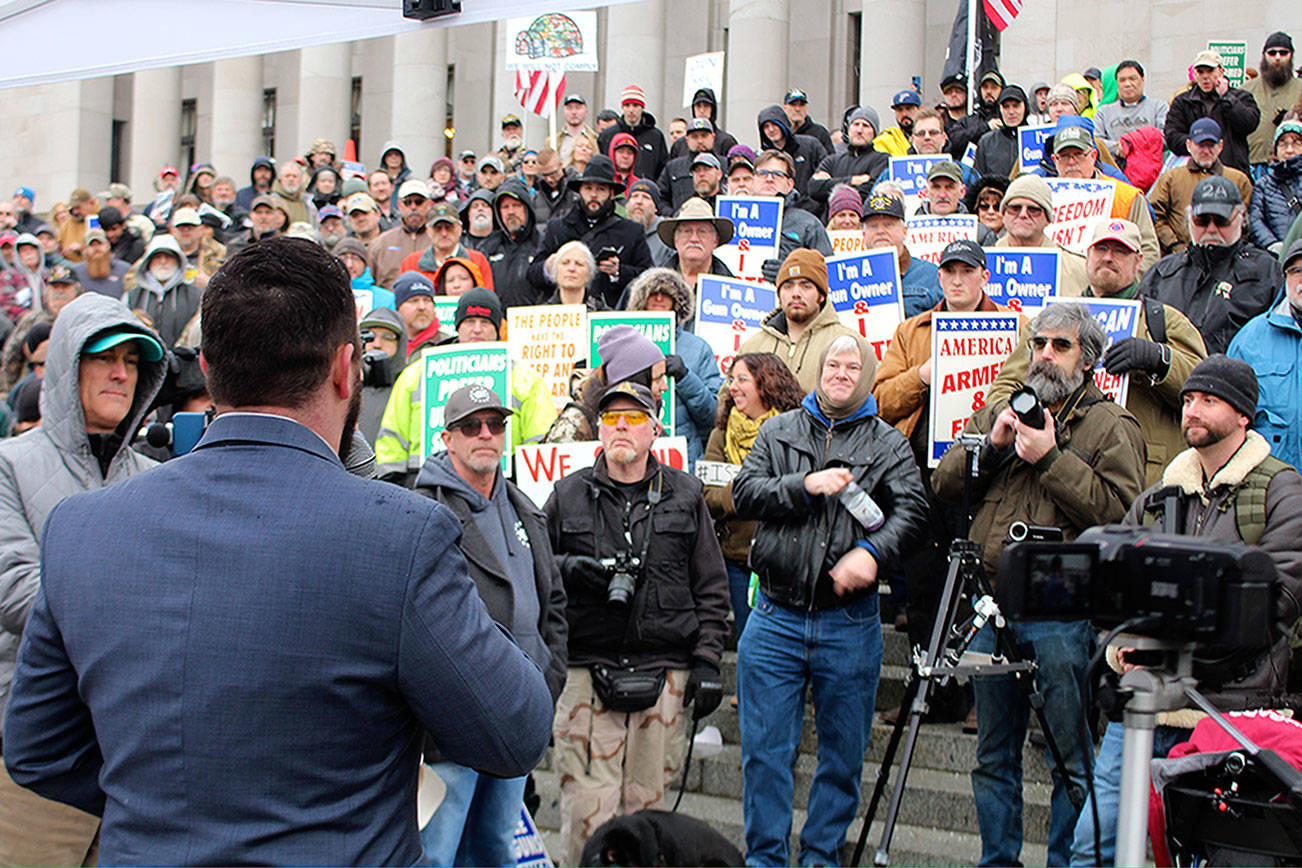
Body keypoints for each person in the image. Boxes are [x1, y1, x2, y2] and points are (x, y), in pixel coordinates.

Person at [1, 238, 552, 866]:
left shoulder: (83, 528)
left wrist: (162, 802)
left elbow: (39, 752)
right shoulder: (401, 535)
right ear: (347, 370)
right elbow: (516, 731)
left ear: (208, 368)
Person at [931, 303, 1147, 867]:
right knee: (991, 754)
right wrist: (996, 443)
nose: (1045, 355)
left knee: (1069, 759)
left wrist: (1051, 458)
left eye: (1060, 346)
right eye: (1039, 344)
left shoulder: (1111, 425)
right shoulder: (1003, 411)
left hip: (1062, 613)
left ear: (1089, 359)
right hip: (991, 608)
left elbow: (1124, 514)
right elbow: (945, 484)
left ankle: (1066, 863)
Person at [1069, 354, 1302, 867]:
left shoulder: (1281, 491)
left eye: (1209, 400)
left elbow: (1275, 604)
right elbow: (1111, 594)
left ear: (1243, 414)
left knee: (1208, 856)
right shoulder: (1157, 497)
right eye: (1189, 399)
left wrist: (1176, 651)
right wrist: (1119, 651)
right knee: (1092, 849)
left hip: (1230, 715)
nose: (1192, 410)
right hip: (1141, 709)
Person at [732, 333, 927, 867]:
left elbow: (913, 515)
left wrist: (872, 552)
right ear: (818, 370)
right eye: (832, 364)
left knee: (842, 759)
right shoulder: (778, 429)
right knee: (764, 756)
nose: (840, 373)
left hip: (849, 624)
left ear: (865, 375)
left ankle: (820, 857)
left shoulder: (888, 444)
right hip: (774, 618)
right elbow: (745, 493)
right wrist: (804, 484)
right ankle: (765, 859)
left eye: (852, 366)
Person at [0, 294, 168, 866]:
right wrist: (142, 609)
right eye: (103, 357)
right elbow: (15, 589)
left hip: (135, 754)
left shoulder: (160, 478)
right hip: (38, 753)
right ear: (68, 365)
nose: (121, 373)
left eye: (132, 360)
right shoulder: (8, 464)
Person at [545, 380, 730, 867]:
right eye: (609, 419)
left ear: (655, 428)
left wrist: (708, 660)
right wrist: (567, 567)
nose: (621, 427)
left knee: (646, 826)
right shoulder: (567, 494)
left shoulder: (686, 495)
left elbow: (711, 586)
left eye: (632, 418)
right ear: (598, 430)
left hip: (665, 672)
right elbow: (535, 576)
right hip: (585, 673)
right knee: (587, 822)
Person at [412, 384, 567, 867]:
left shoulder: (525, 506)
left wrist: (549, 680)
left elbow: (553, 603)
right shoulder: (421, 508)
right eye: (470, 426)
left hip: (515, 716)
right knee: (438, 855)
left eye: (496, 424)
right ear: (447, 437)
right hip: (450, 728)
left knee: (495, 850)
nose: (486, 435)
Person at [989, 219, 1207, 487]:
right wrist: (1015, 417)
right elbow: (1004, 387)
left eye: (1120, 251)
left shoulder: (1163, 321)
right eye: (1100, 249)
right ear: (1087, 256)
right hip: (1058, 466)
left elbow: (1205, 389)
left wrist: (1159, 360)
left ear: (1138, 262)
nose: (1108, 257)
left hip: (1144, 472)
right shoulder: (1050, 321)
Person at [703, 353, 803, 637]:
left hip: (785, 558)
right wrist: (753, 493)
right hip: (737, 559)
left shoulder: (796, 432)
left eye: (742, 379)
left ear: (766, 383)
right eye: (731, 379)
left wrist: (743, 492)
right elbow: (708, 495)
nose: (732, 387)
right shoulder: (721, 434)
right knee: (751, 641)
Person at [1139, 176, 1281, 354]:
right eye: (1202, 220)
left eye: (1221, 221)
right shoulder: (1161, 274)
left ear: (1241, 218)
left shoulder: (1267, 272)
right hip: (1170, 378)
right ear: (1189, 218)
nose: (1212, 229)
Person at [526, 154, 652, 308]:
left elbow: (648, 277)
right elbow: (532, 275)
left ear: (611, 193)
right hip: (563, 316)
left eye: (600, 189)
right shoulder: (557, 228)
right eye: (588, 188)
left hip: (610, 318)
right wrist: (548, 267)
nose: (593, 195)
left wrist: (618, 271)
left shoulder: (631, 231)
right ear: (579, 190)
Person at [624, 268, 723, 464]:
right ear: (641, 301)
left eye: (667, 293)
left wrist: (685, 377)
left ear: (677, 302)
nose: (659, 298)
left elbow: (713, 416)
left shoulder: (698, 348)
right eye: (653, 293)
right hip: (633, 452)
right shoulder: (624, 343)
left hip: (681, 457)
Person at [1228, 238, 1302, 469]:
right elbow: (1228, 419)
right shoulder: (1250, 339)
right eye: (1296, 270)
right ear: (1285, 277)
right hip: (1270, 487)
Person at [739, 248, 857, 392]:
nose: (796, 293)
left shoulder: (848, 344)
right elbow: (729, 401)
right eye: (788, 286)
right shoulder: (753, 346)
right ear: (779, 295)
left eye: (806, 286)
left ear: (821, 296)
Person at [1049, 123, 1161, 272]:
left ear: (1093, 156)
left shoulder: (1125, 196)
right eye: (1064, 156)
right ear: (1054, 160)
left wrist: (1127, 287)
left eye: (1078, 154)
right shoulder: (1041, 196)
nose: (1071, 162)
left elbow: (1148, 251)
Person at [1149, 117, 1254, 255]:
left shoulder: (1238, 179)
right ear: (1189, 145)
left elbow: (1246, 220)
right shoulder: (1171, 178)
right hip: (1179, 256)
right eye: (1200, 145)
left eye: (1211, 145)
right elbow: (1154, 215)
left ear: (1221, 146)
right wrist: (1175, 245)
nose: (1205, 151)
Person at [1165, 48, 1261, 175]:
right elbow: (1172, 136)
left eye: (1210, 71)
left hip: (1231, 171)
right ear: (1195, 74)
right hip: (1195, 172)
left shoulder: (1241, 97)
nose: (1205, 76)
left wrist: (1227, 98)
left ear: (1221, 71)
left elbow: (1249, 124)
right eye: (1200, 72)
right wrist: (1199, 146)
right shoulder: (1183, 101)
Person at [994, 174, 1089, 296]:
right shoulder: (983, 264)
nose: (1023, 214)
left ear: (1048, 219)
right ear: (1004, 214)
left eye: (1033, 210)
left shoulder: (1078, 269)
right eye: (1015, 208)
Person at [861, 191, 943, 317]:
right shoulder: (849, 278)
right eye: (873, 226)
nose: (880, 231)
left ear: (904, 232)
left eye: (888, 225)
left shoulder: (931, 276)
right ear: (864, 235)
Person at [752, 150, 833, 278]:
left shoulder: (808, 224)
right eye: (762, 173)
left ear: (790, 184)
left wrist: (790, 271)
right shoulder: (731, 220)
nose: (769, 179)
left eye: (777, 174)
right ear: (753, 180)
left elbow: (827, 271)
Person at [122, 235, 201, 347]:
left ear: (178, 261)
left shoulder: (195, 295)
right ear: (148, 261)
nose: (163, 261)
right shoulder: (132, 296)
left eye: (168, 257)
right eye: (157, 257)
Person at [809, 107, 887, 218]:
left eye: (866, 126)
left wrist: (831, 183)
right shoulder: (832, 161)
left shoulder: (882, 160)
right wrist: (853, 180)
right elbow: (814, 188)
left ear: (874, 132)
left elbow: (869, 191)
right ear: (849, 129)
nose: (859, 130)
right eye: (856, 124)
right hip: (832, 227)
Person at [1242, 32, 1302, 176]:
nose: (1277, 58)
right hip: (1252, 164)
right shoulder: (1246, 90)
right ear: (1264, 55)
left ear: (1291, 55)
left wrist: (1293, 119)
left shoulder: (1300, 89)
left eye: (1283, 53)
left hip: (1293, 166)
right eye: (1272, 53)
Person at [477, 179, 541, 307]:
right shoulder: (487, 248)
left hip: (533, 322)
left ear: (527, 208)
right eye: (505, 207)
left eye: (516, 205)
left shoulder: (542, 244)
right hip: (499, 323)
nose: (511, 212)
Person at [652, 197, 735, 294]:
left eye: (702, 232)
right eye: (687, 231)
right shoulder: (652, 287)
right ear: (676, 239)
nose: (694, 239)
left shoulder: (734, 289)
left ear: (715, 240)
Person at [756, 104, 827, 212]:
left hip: (811, 210)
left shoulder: (810, 145)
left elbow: (825, 173)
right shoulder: (762, 156)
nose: (771, 129)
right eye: (766, 126)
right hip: (775, 211)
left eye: (774, 124)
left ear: (783, 124)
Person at [368, 179, 435, 290]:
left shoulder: (439, 240)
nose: (413, 207)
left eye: (419, 201)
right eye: (407, 202)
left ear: (428, 204)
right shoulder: (381, 242)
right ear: (399, 205)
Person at [596, 84, 670, 181]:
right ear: (622, 107)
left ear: (642, 107)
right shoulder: (607, 135)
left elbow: (662, 168)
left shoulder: (655, 136)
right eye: (627, 105)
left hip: (645, 190)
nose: (631, 110)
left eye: (635, 106)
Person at [1092, 60, 1170, 151]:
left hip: (1152, 163)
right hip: (1114, 163)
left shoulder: (1159, 107)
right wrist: (1119, 147)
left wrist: (1131, 144)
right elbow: (1097, 141)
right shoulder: (1104, 112)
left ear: (1142, 80)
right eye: (1122, 80)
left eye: (1132, 79)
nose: (1127, 84)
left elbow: (1165, 138)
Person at [1249, 120, 1302, 254]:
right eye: (1283, 143)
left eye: (1296, 143)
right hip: (1276, 256)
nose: (1289, 150)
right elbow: (1255, 219)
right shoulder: (1263, 185)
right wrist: (1272, 244)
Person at [915, 161, 997, 244]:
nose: (942, 195)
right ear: (926, 191)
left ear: (962, 191)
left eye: (949, 187)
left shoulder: (981, 235)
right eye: (936, 187)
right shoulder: (909, 231)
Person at [357, 307, 406, 443]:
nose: (377, 344)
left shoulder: (408, 385)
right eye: (370, 336)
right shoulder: (347, 383)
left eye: (387, 337)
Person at [657, 118, 718, 214]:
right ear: (687, 140)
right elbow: (660, 197)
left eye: (704, 136)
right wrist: (672, 215)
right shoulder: (673, 167)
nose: (700, 141)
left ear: (713, 137)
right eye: (695, 137)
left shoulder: (725, 164)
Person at [973, 85, 1029, 179]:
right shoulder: (986, 142)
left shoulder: (1036, 138)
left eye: (1016, 106)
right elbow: (978, 179)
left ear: (1025, 107)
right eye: (1006, 107)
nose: (1011, 111)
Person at [668, 88, 739, 161]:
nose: (702, 110)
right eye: (698, 106)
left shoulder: (726, 141)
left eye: (706, 106)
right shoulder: (680, 144)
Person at [169, 207, 226, 289]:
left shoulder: (220, 252)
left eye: (190, 226)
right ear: (172, 231)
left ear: (201, 229)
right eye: (180, 227)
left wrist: (210, 285)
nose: (186, 230)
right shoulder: (162, 254)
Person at [543, 240, 608, 310]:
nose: (571, 268)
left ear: (589, 274)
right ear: (555, 270)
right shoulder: (540, 315)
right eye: (565, 263)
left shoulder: (604, 315)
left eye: (579, 264)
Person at [70, 228, 130, 298]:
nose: (96, 248)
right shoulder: (76, 272)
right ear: (85, 249)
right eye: (92, 245)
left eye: (100, 244)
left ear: (108, 245)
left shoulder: (124, 269)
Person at [624, 179, 670, 266]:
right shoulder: (619, 231)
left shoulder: (665, 234)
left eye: (646, 197)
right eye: (635, 196)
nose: (639, 201)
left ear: (655, 208)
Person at [548, 93, 598, 167]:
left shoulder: (595, 139)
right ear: (564, 112)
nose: (574, 112)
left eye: (578, 108)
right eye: (569, 108)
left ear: (586, 111)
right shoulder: (553, 141)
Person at [781, 87, 835, 155]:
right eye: (793, 105)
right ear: (785, 108)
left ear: (806, 107)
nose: (798, 109)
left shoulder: (820, 132)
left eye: (801, 105)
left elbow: (830, 159)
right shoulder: (780, 132)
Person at [873, 89, 922, 157]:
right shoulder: (887, 139)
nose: (904, 114)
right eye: (900, 110)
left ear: (920, 109)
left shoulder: (931, 135)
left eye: (909, 108)